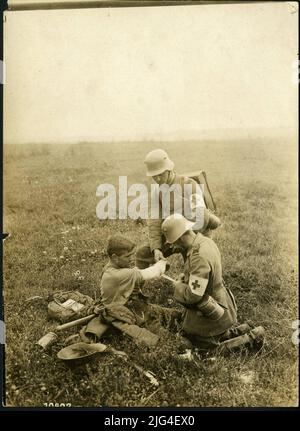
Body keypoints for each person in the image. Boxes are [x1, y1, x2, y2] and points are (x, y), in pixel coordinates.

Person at [160, 214, 265, 353]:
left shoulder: (198, 257)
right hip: (221, 303)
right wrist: (187, 278)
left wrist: (178, 286)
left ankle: (252, 339)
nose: (173, 246)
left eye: (173, 242)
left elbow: (194, 295)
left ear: (181, 237)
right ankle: (241, 331)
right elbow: (205, 278)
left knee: (202, 351)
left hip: (210, 312)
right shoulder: (205, 241)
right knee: (210, 336)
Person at [85, 234, 188, 350]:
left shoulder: (115, 268)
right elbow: (152, 272)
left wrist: (159, 264)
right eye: (127, 256)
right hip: (124, 315)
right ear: (114, 257)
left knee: (178, 316)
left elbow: (142, 272)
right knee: (171, 341)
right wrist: (161, 263)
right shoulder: (116, 275)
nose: (131, 259)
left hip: (134, 307)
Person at [136, 149, 221, 268]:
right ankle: (137, 284)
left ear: (169, 169)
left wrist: (182, 239)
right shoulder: (157, 192)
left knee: (197, 266)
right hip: (173, 236)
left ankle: (214, 282)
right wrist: (156, 248)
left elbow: (200, 218)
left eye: (160, 174)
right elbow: (154, 222)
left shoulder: (189, 185)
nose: (158, 179)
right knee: (142, 254)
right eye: (154, 176)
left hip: (195, 235)